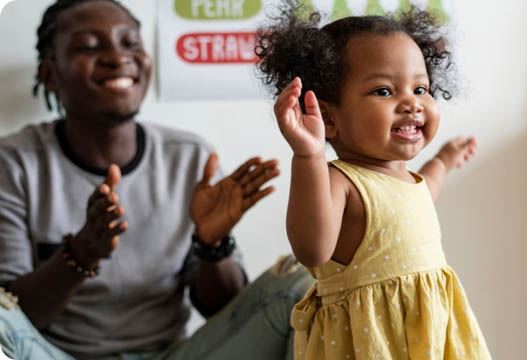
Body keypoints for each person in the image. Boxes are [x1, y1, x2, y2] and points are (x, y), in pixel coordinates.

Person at [0, 0, 312, 359]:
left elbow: (225, 310)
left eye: (130, 43)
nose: (118, 58)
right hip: (52, 353)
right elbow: (16, 315)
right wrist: (80, 254)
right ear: (50, 74)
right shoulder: (14, 163)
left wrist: (211, 246)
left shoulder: (189, 157)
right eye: (88, 46)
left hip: (174, 354)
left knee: (301, 284)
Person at [255, 3, 492, 359]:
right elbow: (312, 248)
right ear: (328, 118)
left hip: (430, 338)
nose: (411, 104)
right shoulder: (341, 181)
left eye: (421, 89)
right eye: (384, 91)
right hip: (371, 344)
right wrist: (309, 155)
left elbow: (425, 191)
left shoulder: (406, 179)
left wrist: (444, 160)